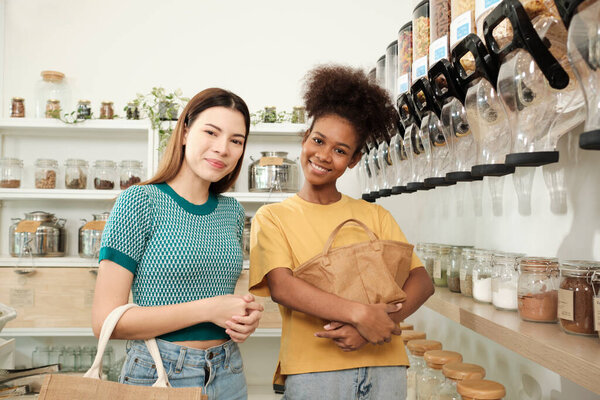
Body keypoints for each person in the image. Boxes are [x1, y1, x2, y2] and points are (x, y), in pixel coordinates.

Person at [249, 65, 435, 399]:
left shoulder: (374, 214)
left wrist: (373, 329)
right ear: (305, 137)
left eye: (340, 150)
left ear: (353, 160)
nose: (323, 155)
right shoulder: (273, 217)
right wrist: (360, 314)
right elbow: (283, 287)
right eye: (318, 141)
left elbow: (422, 282)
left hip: (386, 365)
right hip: (313, 372)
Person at [92, 88, 263, 399]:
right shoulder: (139, 202)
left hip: (228, 371)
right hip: (161, 371)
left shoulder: (233, 212)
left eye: (236, 141)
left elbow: (218, 299)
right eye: (211, 132)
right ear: (185, 132)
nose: (222, 148)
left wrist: (241, 318)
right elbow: (106, 321)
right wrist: (210, 309)